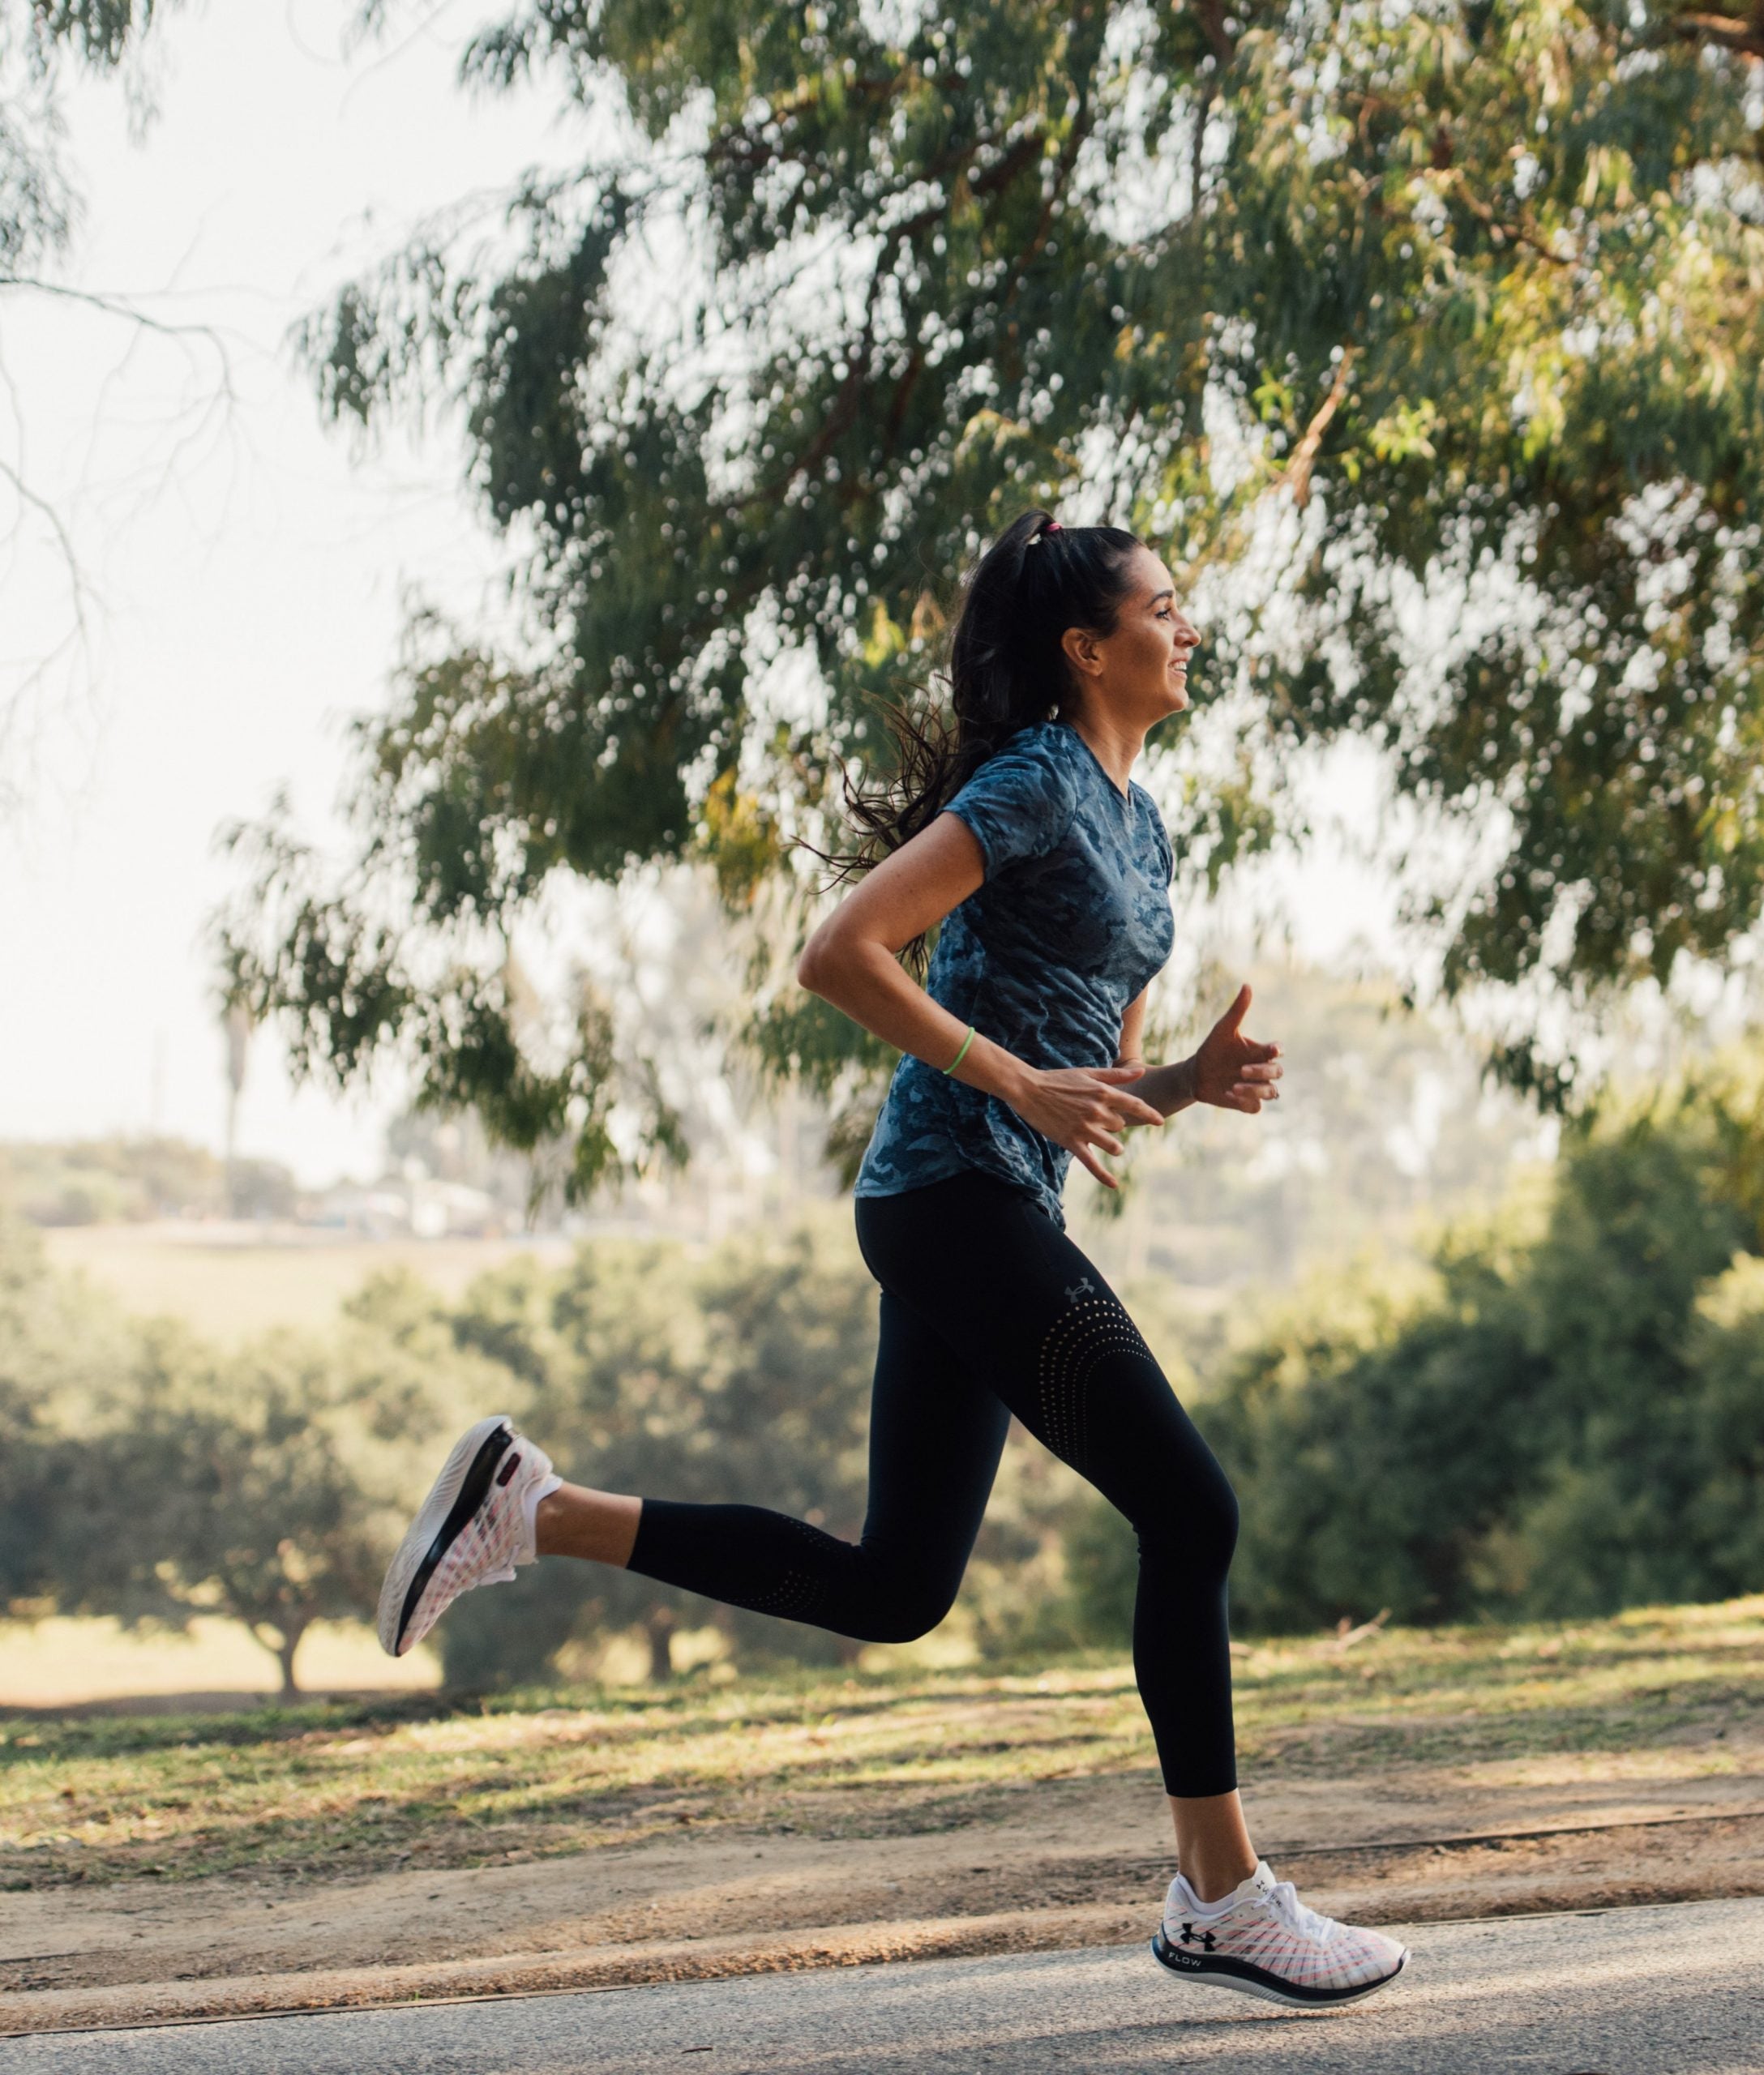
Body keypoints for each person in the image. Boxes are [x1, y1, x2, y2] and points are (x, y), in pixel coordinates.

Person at [374, 513, 1409, 2010]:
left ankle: (532, 1507)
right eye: (1163, 609)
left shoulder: (1143, 819)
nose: (1187, 631)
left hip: (992, 1204)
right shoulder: (1040, 780)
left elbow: (1089, 1076)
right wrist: (1011, 1085)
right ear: (1086, 645)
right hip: (950, 1194)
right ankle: (1223, 1895)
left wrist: (1185, 1080)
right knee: (1191, 1511)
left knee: (896, 1589)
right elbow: (841, 950)